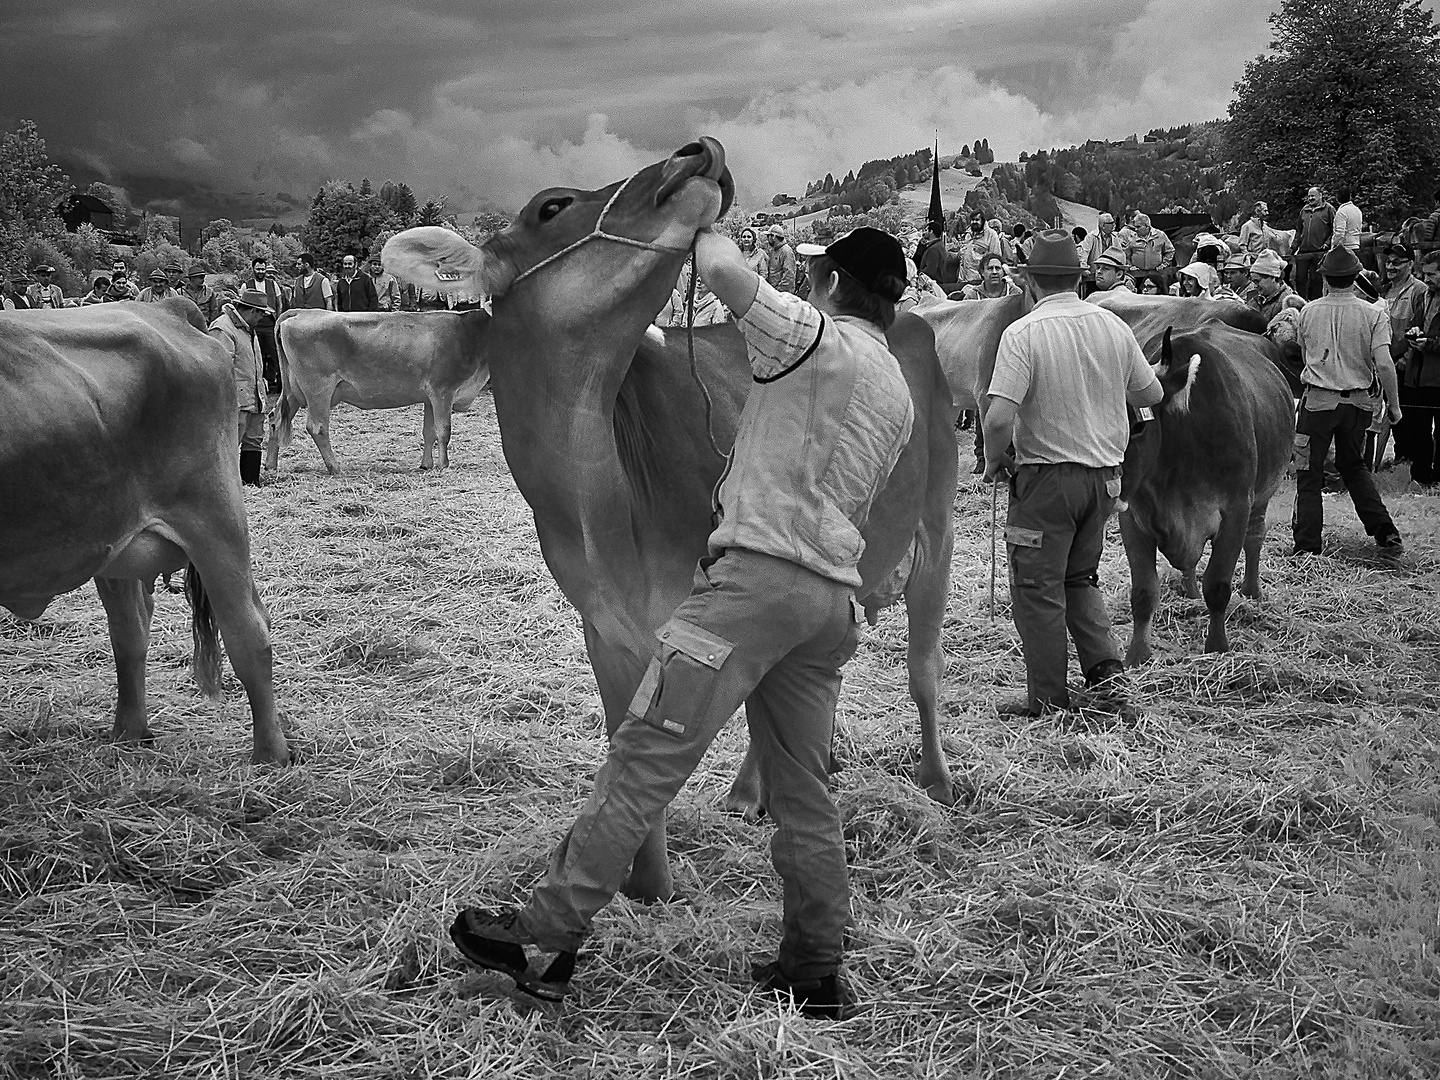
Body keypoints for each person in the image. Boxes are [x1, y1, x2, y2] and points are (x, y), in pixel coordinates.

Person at [449, 227, 915, 1020]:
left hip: (750, 588)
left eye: (815, 276)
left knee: (643, 758)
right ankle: (815, 967)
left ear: (833, 282)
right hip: (826, 604)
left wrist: (696, 222)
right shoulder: (897, 387)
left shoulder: (809, 336)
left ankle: (544, 935)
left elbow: (724, 268)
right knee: (803, 790)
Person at [981, 229, 1162, 717]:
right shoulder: (1113, 327)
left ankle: (1048, 700)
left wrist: (995, 459)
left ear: (1032, 283)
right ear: (1079, 280)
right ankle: (1107, 675)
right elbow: (1152, 396)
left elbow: (998, 417)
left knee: (1037, 588)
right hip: (1105, 480)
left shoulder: (1023, 333)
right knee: (1080, 578)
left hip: (1046, 484)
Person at [1292, 246, 1404, 555]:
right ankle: (1385, 532)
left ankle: (1307, 549)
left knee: (1309, 473)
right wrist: (1393, 407)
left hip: (1317, 403)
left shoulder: (1308, 311)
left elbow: (1306, 356)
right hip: (1357, 404)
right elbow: (1383, 363)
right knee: (1354, 466)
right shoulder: (1374, 314)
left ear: (1325, 278)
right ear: (1356, 278)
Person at [208, 288, 273, 486]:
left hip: (254, 396)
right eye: (261, 313)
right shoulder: (223, 328)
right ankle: (224, 486)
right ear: (252, 311)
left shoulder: (246, 328)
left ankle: (251, 483)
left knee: (254, 439)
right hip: (235, 399)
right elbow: (219, 367)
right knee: (229, 444)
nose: (262, 318)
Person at [1396, 249, 1440, 487]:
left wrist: (1431, 344)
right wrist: (1413, 333)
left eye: (1431, 275)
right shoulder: (1425, 297)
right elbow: (1415, 322)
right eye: (1424, 274)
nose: (1426, 279)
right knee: (1418, 430)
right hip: (1417, 375)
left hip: (1437, 376)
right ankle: (1420, 476)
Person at [1294, 186, 1335, 301]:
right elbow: (1299, 230)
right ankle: (1300, 301)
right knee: (1300, 278)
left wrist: (1327, 243)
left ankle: (1316, 302)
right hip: (1303, 250)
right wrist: (1293, 247)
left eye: (1313, 196)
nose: (1310, 198)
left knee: (1316, 279)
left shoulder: (1329, 209)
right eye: (1309, 196)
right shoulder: (1304, 210)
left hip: (1319, 251)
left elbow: (1335, 229)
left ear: (1320, 196)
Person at [1120, 213, 1174, 293]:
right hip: (1137, 275)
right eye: (1134, 226)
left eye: (1138, 227)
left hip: (1156, 276)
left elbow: (1170, 251)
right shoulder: (1131, 237)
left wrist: (1164, 264)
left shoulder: (1160, 235)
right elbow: (1125, 254)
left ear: (1147, 226)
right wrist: (1130, 266)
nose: (1135, 229)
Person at [1248, 251, 1304, 325]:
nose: (1255, 286)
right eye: (1253, 282)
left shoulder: (1288, 301)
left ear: (1274, 278)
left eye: (1257, 281)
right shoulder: (1254, 297)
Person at [763, 225, 797, 294]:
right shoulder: (773, 250)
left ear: (774, 237)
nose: (767, 239)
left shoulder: (786, 251)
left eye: (768, 236)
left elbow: (789, 276)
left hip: (783, 295)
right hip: (774, 292)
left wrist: (778, 292)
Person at [1331, 188, 1362, 253]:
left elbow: (1340, 233)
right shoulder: (1357, 210)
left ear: (1337, 198)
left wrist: (1334, 246)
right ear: (1350, 197)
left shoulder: (1341, 212)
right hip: (1356, 245)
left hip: (1345, 248)